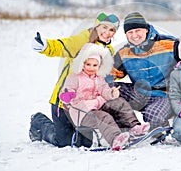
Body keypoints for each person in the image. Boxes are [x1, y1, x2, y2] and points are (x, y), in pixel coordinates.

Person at [29, 12, 120, 148]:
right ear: (97, 27)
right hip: (65, 101)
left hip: (85, 105)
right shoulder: (83, 40)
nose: (107, 32)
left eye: (111, 29)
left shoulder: (109, 51)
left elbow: (107, 75)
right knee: (64, 142)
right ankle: (39, 122)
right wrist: (46, 46)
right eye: (104, 28)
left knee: (85, 143)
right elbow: (65, 46)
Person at [60, 43, 150, 150]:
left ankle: (134, 127)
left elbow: (104, 90)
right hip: (83, 112)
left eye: (95, 65)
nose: (91, 68)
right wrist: (67, 96)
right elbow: (66, 92)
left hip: (99, 106)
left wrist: (111, 93)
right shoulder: (74, 77)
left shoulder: (99, 77)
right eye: (88, 64)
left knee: (119, 103)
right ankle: (115, 139)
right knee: (103, 117)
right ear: (82, 63)